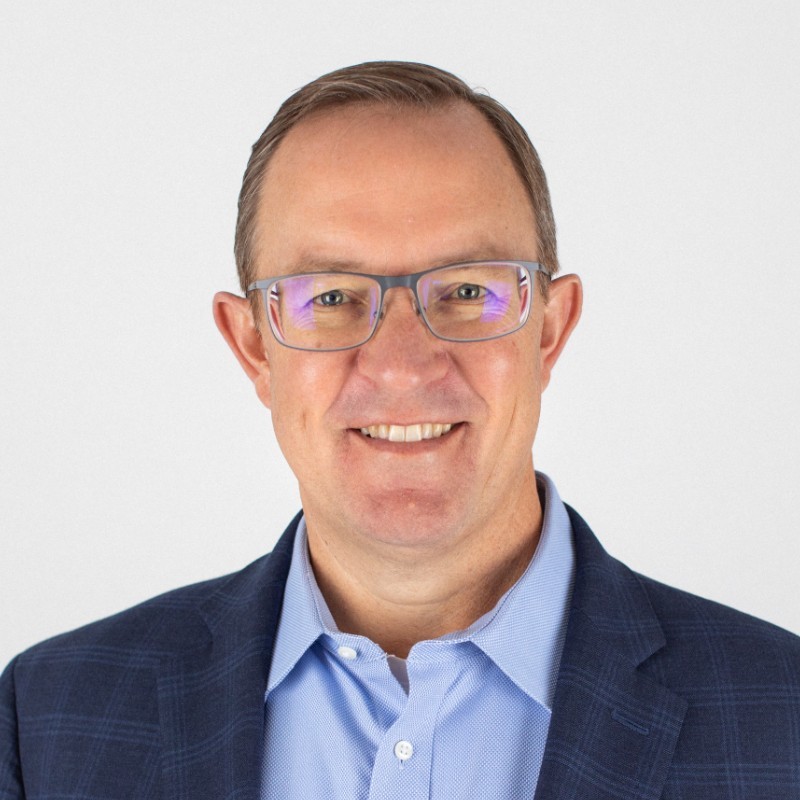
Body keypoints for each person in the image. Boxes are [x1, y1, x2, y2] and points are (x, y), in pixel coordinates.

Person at [1, 61, 798, 800]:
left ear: (550, 332)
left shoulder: (782, 718)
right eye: (332, 298)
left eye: (467, 291)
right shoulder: (45, 722)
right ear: (254, 347)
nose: (403, 366)